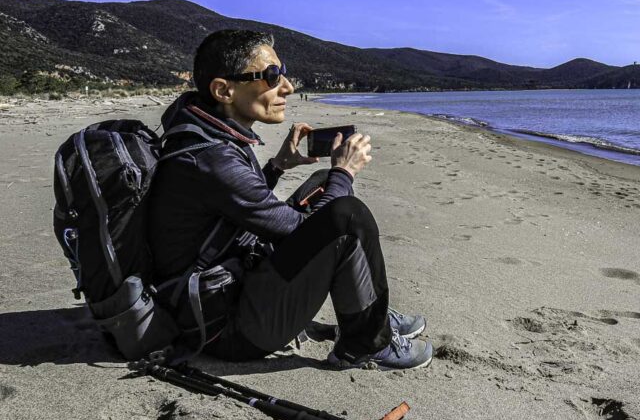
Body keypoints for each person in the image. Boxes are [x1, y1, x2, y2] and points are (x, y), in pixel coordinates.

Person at [148, 29, 432, 370]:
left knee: (322, 182)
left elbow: (230, 209)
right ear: (224, 90)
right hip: (226, 330)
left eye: (282, 73)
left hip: (223, 292)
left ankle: (369, 312)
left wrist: (278, 166)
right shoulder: (211, 158)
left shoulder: (205, 134)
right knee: (347, 215)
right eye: (271, 76)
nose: (287, 87)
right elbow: (297, 232)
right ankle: (366, 344)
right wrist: (345, 172)